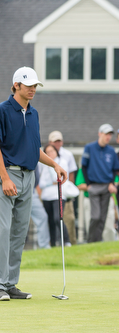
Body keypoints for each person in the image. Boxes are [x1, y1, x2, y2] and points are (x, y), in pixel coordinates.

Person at [1, 66, 67, 301]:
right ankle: (0, 284)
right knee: (3, 230)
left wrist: (55, 165)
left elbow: (34, 149)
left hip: (29, 176)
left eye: (35, 85)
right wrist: (5, 177)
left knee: (19, 231)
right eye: (28, 85)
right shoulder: (3, 110)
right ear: (16, 85)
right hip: (8, 175)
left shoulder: (33, 113)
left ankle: (10, 284)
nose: (32, 89)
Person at [81, 124, 119, 243]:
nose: (108, 137)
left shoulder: (111, 151)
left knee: (103, 218)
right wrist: (88, 185)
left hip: (106, 187)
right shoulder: (89, 147)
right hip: (93, 186)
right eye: (106, 134)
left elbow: (115, 169)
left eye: (110, 135)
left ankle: (98, 242)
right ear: (100, 134)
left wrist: (112, 183)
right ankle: (90, 241)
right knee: (95, 216)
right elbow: (84, 166)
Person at [48, 131, 78, 245]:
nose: (57, 143)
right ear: (50, 142)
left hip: (65, 193)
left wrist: (68, 189)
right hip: (51, 194)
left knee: (69, 219)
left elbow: (71, 174)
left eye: (59, 141)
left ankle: (71, 244)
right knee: (55, 219)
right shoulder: (47, 154)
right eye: (55, 141)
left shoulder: (67, 154)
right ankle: (55, 244)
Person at [39, 144, 71, 246]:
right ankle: (52, 244)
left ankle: (66, 241)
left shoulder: (62, 162)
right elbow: (41, 183)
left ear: (56, 151)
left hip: (59, 196)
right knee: (50, 221)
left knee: (58, 218)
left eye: (52, 151)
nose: (50, 153)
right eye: (47, 152)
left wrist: (53, 180)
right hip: (46, 197)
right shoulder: (43, 165)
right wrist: (51, 182)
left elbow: (60, 179)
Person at [30, 165, 50, 249]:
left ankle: (44, 246)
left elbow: (36, 179)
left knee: (42, 217)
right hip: (10, 189)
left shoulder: (35, 156)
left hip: (32, 192)